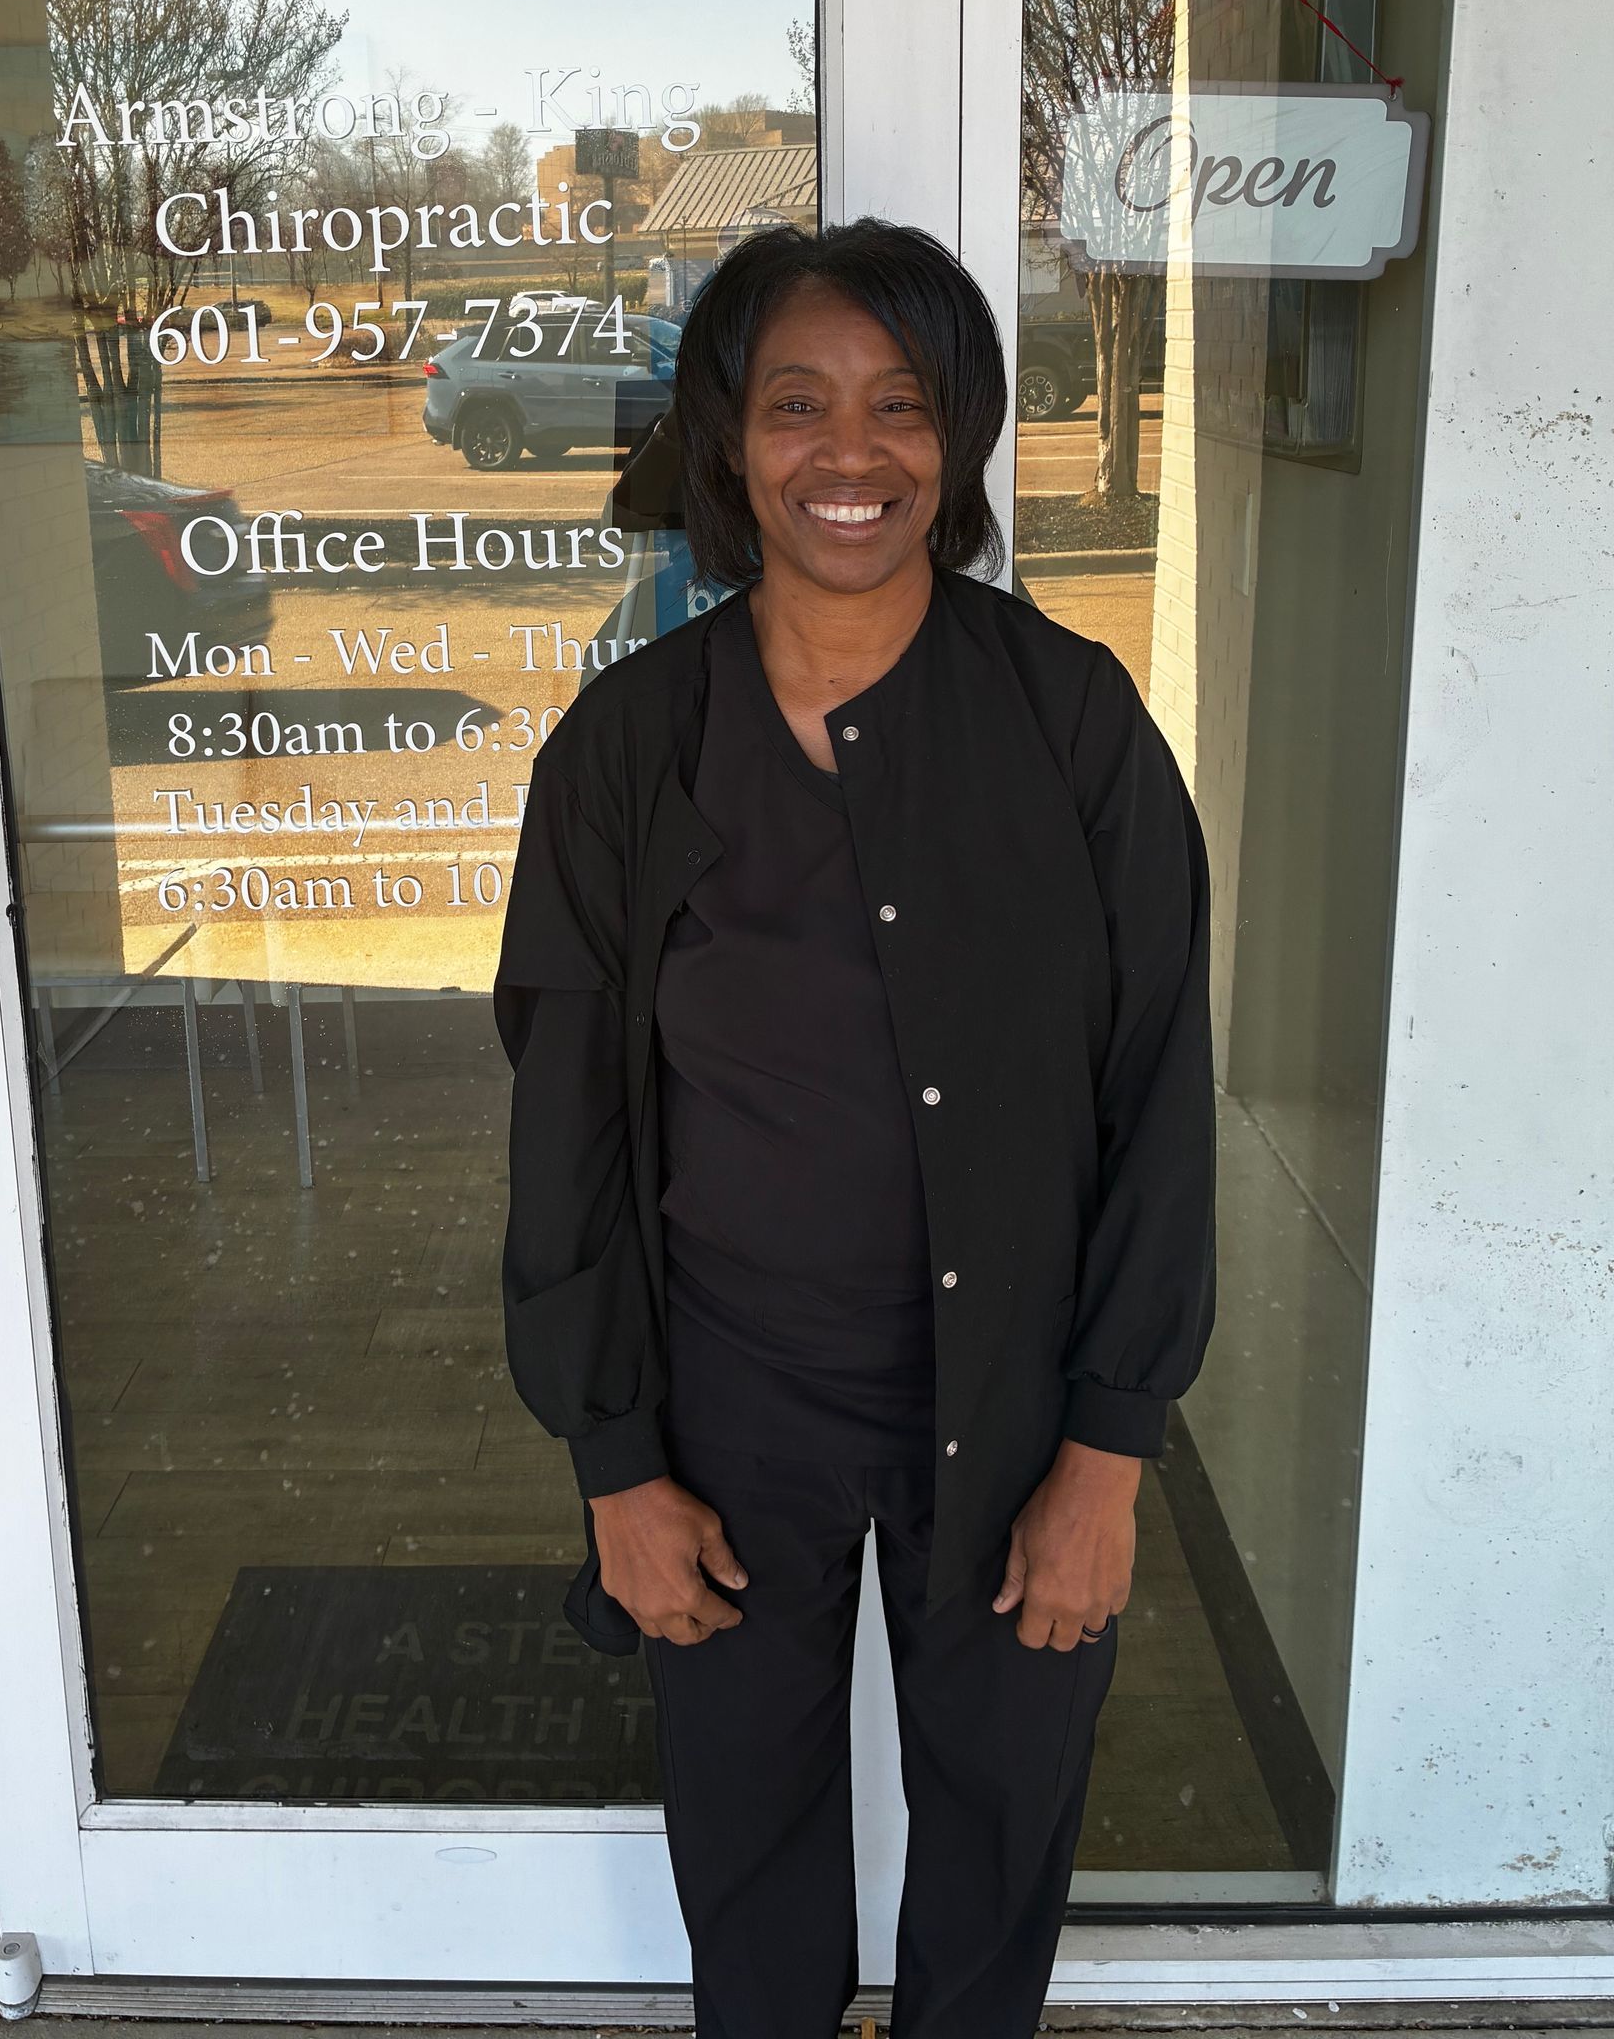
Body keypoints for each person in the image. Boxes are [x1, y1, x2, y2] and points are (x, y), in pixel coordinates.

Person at [494, 220, 1215, 2039]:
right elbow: (567, 1128)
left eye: (902, 406)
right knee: (748, 1840)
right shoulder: (627, 751)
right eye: (797, 402)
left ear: (959, 439)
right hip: (730, 1401)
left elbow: (1156, 1095)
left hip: (1021, 1394)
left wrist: (1110, 1454)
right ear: (731, 441)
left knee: (998, 1834)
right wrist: (614, 1466)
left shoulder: (1075, 725)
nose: (852, 452)